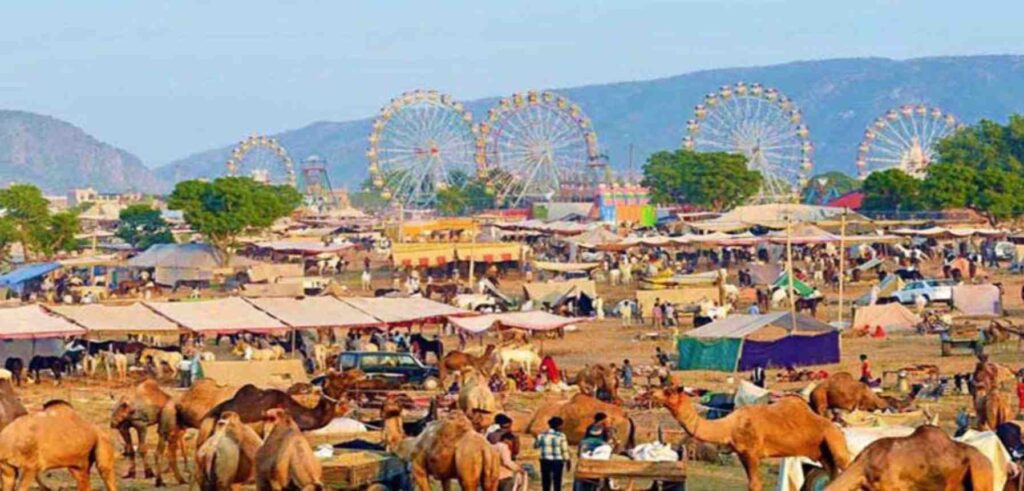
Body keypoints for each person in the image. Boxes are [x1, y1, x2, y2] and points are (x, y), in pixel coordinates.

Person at [534, 417, 570, 491]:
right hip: (557, 461)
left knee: (546, 480)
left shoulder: (541, 435)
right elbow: (564, 450)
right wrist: (568, 460)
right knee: (557, 480)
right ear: (558, 426)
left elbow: (536, 446)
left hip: (545, 460)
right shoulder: (561, 436)